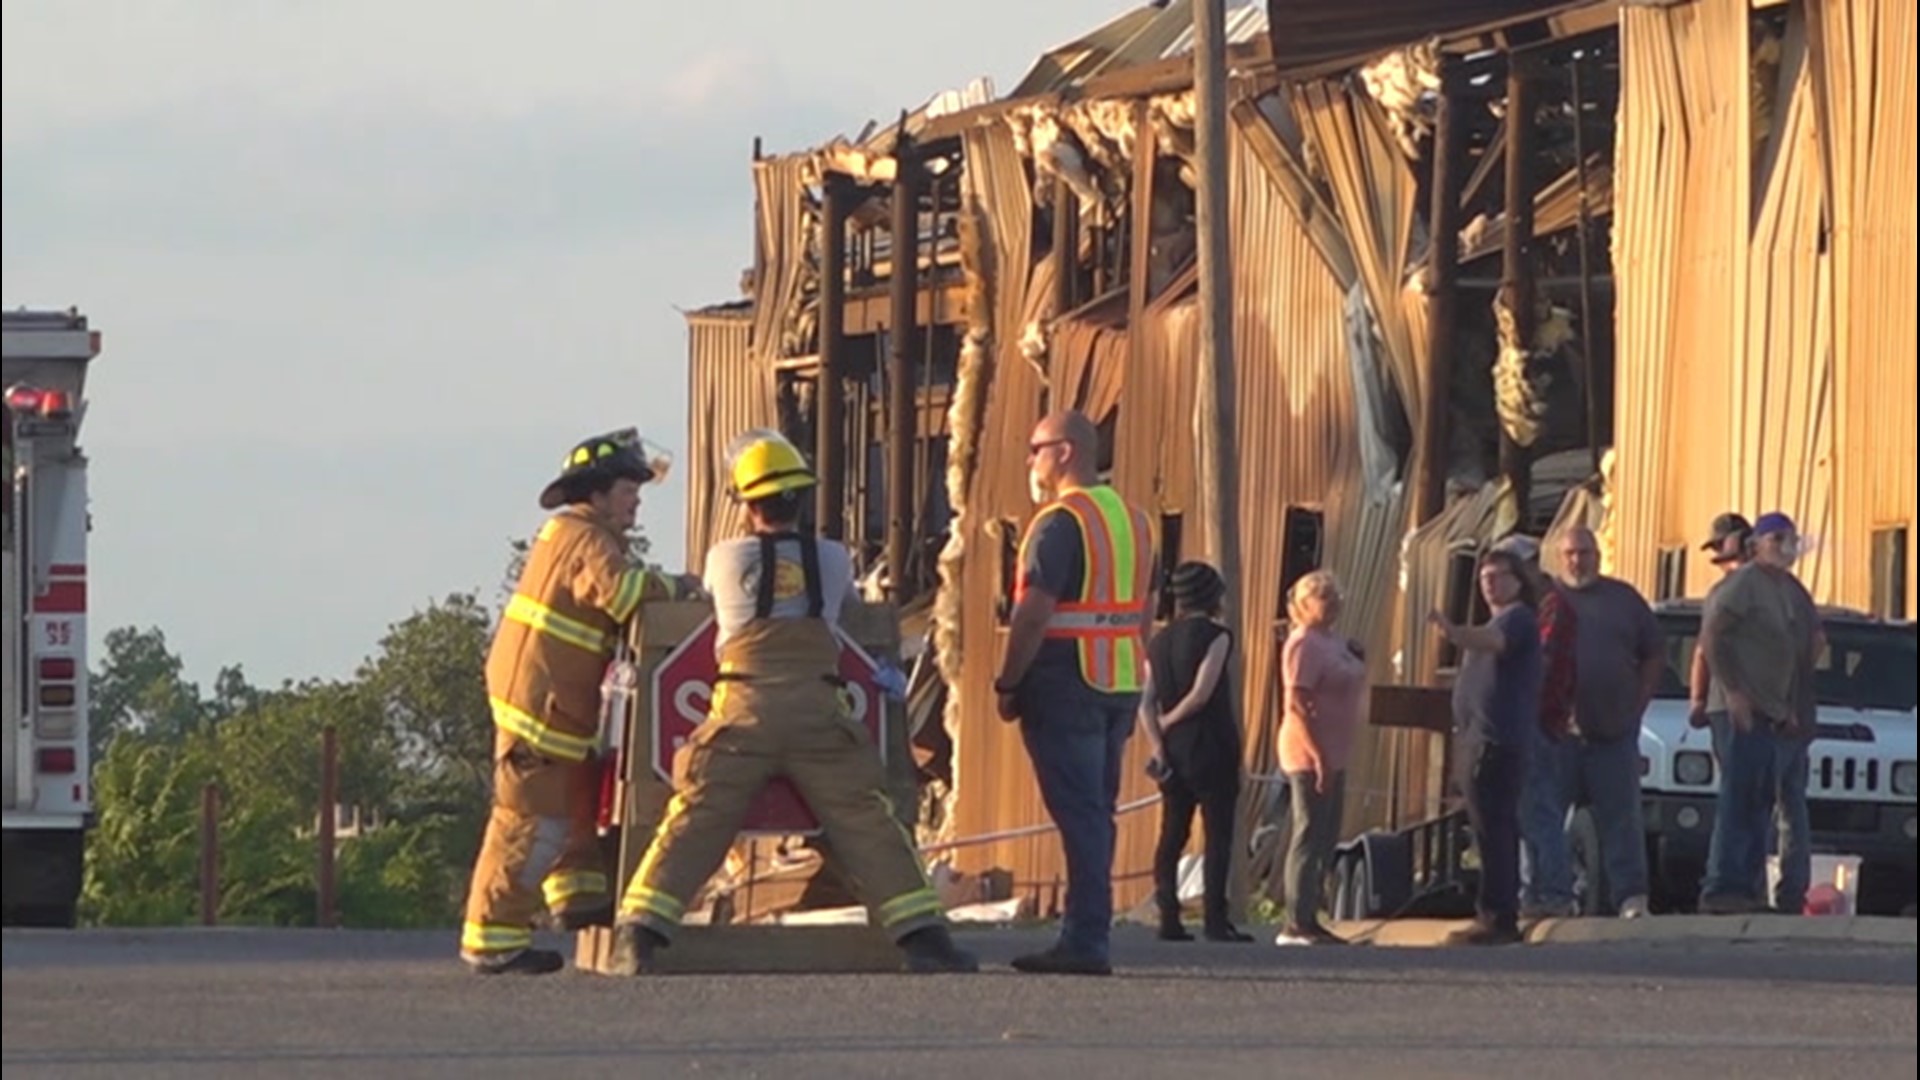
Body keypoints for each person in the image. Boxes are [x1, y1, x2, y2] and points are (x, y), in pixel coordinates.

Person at [609, 429, 977, 975]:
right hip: (818, 711)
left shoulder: (723, 558)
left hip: (742, 711)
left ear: (747, 504)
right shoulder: (832, 558)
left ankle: (638, 935)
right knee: (865, 817)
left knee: (698, 813)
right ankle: (925, 939)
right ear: (801, 500)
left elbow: (711, 600)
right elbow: (848, 608)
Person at [460, 430, 695, 975]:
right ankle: (493, 941)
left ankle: (579, 899)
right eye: (628, 489)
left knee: (576, 801)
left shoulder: (574, 534)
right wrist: (681, 587)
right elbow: (622, 593)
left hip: (550, 703)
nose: (637, 501)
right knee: (530, 822)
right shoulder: (585, 538)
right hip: (540, 709)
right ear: (596, 493)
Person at [994, 409, 1154, 976]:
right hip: (1118, 681)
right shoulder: (1135, 521)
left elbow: (1033, 613)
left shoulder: (1058, 523)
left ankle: (1086, 938)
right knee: (1097, 813)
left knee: (1080, 813)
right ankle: (1087, 930)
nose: (1030, 460)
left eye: (1036, 448)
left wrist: (1009, 681)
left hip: (1066, 681)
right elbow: (1145, 609)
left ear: (1064, 452)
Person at [1527, 526, 1662, 918]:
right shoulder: (1544, 602)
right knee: (1544, 818)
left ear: (1598, 556)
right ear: (1559, 558)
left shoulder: (1624, 599)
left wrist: (1639, 703)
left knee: (1623, 820)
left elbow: (1655, 653)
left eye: (1584, 553)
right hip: (1556, 735)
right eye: (1570, 554)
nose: (1577, 561)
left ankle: (1631, 898)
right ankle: (1545, 895)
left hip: (1613, 732)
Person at [1698, 512, 1822, 915]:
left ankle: (1747, 890)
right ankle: (1722, 886)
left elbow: (1806, 647)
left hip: (1773, 711)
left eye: (1791, 539)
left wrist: (1791, 708)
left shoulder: (1788, 589)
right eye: (1776, 539)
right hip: (1740, 709)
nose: (1786, 547)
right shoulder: (1744, 583)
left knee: (1759, 799)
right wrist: (1733, 692)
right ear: (1755, 546)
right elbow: (1712, 636)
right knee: (1739, 796)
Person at [1430, 549, 1542, 945]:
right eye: (1484, 578)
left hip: (1497, 743)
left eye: (1498, 576)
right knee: (1486, 828)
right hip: (1477, 739)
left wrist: (1454, 632)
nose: (1490, 584)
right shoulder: (1495, 620)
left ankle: (1497, 916)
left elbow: (1494, 642)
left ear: (1518, 580)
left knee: (1494, 828)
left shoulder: (1518, 619)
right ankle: (1494, 911)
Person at [1137, 561, 1252, 944]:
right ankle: (1215, 920)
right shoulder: (1217, 636)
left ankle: (1168, 917)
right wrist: (1171, 720)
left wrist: (1158, 741)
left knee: (1172, 833)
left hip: (1173, 752)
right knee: (1218, 834)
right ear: (1212, 596)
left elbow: (1145, 702)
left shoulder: (1158, 643)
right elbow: (1202, 694)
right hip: (1212, 743)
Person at [1274, 570, 1367, 946]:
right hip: (1309, 751)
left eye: (1335, 595)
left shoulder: (1333, 641)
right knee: (1309, 831)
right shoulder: (1303, 644)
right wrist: (1318, 757)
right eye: (1323, 597)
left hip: (1337, 748)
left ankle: (1312, 913)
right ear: (1303, 604)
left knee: (1327, 835)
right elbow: (1297, 703)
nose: (1332, 603)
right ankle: (1296, 921)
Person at [1494, 535, 1582, 920]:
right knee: (1525, 813)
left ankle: (1555, 892)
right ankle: (1532, 892)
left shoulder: (1550, 608)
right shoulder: (1532, 607)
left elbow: (1539, 666)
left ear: (1529, 566)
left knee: (1541, 811)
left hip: (1538, 718)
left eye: (1511, 571)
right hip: (1529, 717)